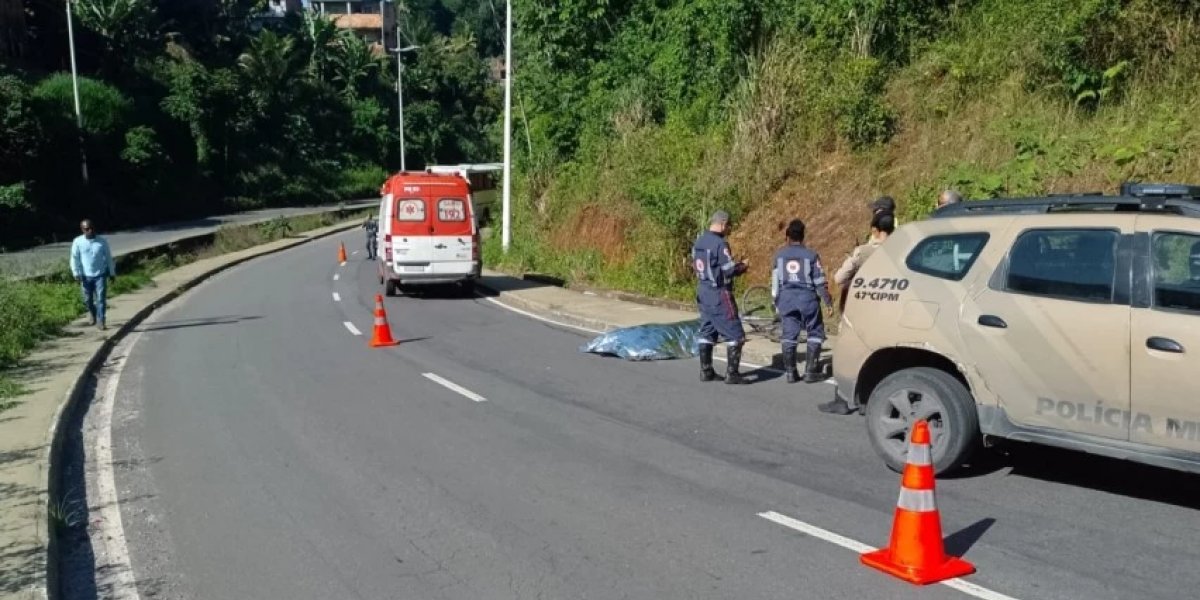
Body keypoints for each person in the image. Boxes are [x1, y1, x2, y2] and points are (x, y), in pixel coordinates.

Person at [820, 212, 895, 415]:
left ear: (874, 230)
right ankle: (872, 400)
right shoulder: (902, 250)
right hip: (891, 311)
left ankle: (842, 399)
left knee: (849, 352)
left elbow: (839, 278)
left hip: (862, 309)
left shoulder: (863, 252)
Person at [771, 219, 835, 383]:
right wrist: (828, 302)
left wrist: (775, 301)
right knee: (814, 332)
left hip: (786, 299)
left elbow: (775, 282)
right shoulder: (811, 255)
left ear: (787, 237)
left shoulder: (779, 256)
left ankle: (791, 373)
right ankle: (810, 371)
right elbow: (819, 282)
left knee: (789, 335)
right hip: (807, 299)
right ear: (803, 236)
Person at [692, 210, 750, 384]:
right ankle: (732, 374)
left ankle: (706, 370)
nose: (728, 229)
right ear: (723, 224)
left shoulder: (699, 241)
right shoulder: (720, 244)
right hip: (719, 293)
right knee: (736, 334)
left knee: (707, 330)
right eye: (729, 226)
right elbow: (729, 270)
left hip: (702, 290)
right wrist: (743, 266)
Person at [69, 219, 116, 331]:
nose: (90, 230)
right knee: (87, 299)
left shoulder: (102, 242)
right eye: (87, 229)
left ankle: (101, 320)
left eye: (91, 228)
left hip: (100, 274)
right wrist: (76, 272)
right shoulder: (78, 242)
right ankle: (93, 314)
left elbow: (109, 258)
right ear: (82, 230)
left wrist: (112, 273)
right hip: (85, 276)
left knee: (101, 299)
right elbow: (74, 258)